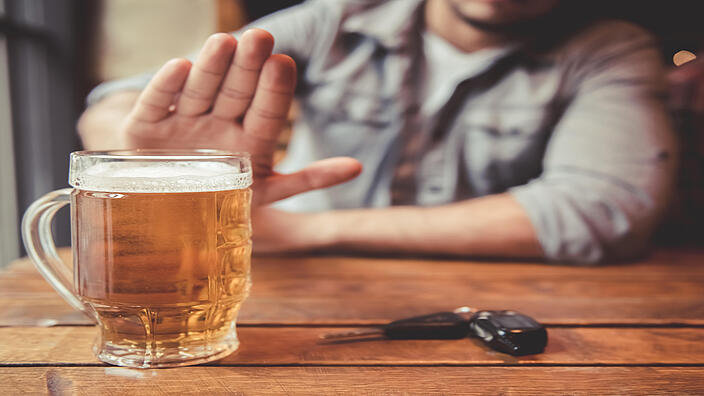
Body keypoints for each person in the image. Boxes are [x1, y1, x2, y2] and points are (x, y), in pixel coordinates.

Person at [78, 0, 678, 264]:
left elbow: (606, 209)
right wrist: (147, 158)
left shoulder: (611, 49)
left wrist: (300, 231)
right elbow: (114, 103)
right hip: (291, 289)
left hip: (501, 301)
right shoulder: (334, 18)